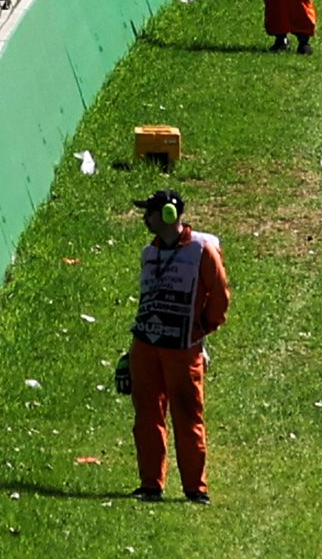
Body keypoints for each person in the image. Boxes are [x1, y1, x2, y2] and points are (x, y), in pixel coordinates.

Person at [123, 188, 231, 504]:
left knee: (187, 414)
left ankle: (196, 488)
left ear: (168, 214)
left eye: (150, 212)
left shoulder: (202, 250)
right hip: (146, 346)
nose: (145, 219)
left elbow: (220, 297)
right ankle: (150, 484)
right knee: (147, 415)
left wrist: (201, 330)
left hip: (183, 349)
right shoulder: (149, 253)